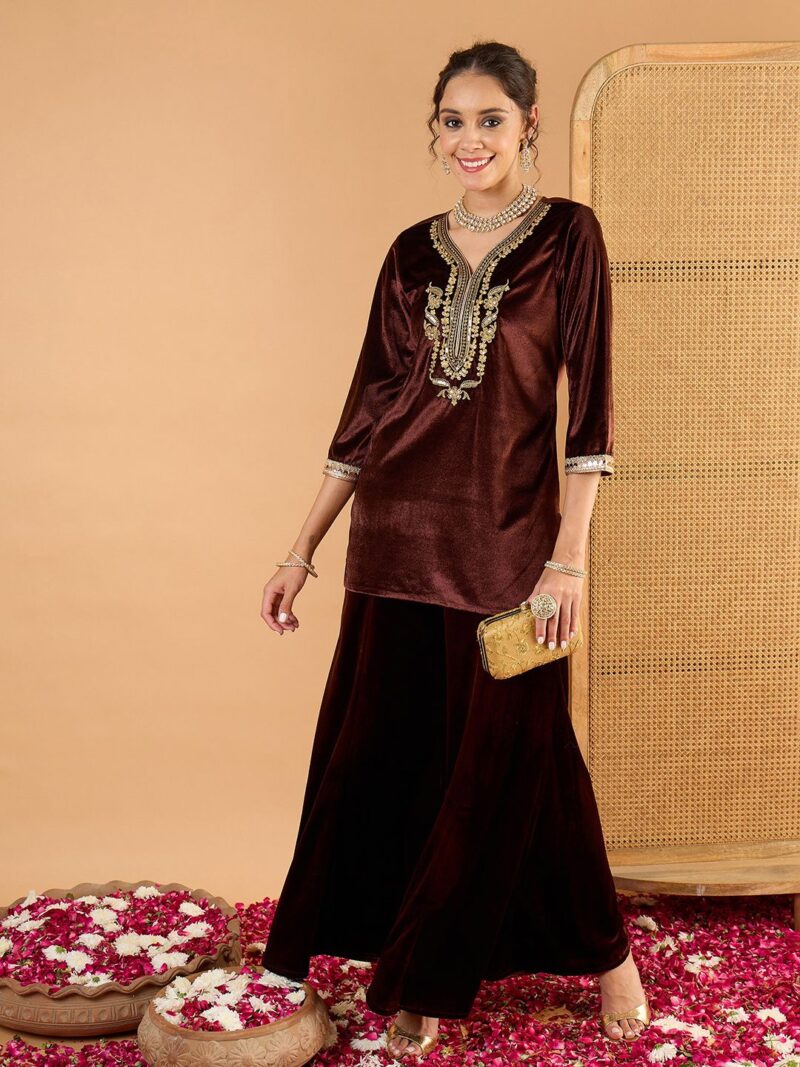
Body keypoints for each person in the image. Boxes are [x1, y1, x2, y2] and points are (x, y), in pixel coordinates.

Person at [259, 39, 651, 1062]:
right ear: (433, 131)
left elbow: (591, 412)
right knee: (404, 755)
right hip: (396, 536)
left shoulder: (567, 238)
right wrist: (300, 548)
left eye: (489, 120)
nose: (468, 139)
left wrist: (567, 559)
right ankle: (422, 973)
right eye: (451, 121)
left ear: (527, 126)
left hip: (509, 545)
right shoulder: (409, 254)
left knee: (519, 747)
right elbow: (366, 412)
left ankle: (594, 955)